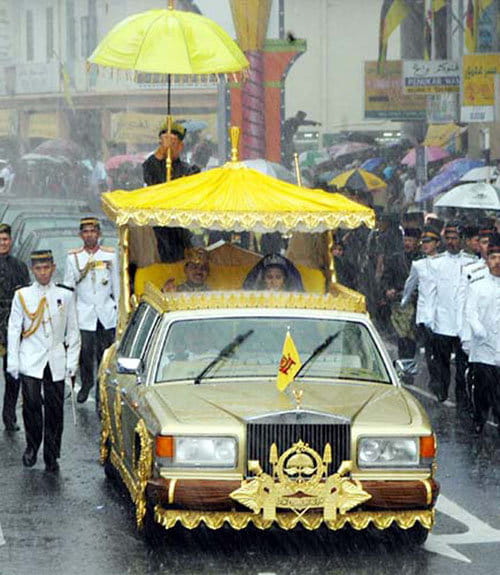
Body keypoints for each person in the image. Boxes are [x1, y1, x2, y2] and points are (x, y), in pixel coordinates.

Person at [7, 250, 80, 472]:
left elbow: (73, 331)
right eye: (38, 269)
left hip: (56, 358)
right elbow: (13, 329)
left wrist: (72, 362)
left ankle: (51, 453)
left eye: (46, 268)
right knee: (31, 406)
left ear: (53, 268)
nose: (43, 272)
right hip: (30, 358)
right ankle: (32, 446)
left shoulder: (65, 295)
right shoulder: (22, 296)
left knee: (55, 409)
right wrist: (13, 361)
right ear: (32, 270)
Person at [63, 217, 119, 405]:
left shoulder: (110, 255)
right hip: (84, 312)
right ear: (80, 235)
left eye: (93, 231)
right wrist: (68, 316)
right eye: (86, 232)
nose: (89, 235)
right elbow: (70, 288)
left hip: (105, 311)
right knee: (85, 352)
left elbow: (116, 286)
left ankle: (101, 386)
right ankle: (86, 383)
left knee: (105, 353)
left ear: (99, 233)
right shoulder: (74, 258)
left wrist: (119, 308)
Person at [427, 222, 476, 403]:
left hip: (463, 323)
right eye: (447, 238)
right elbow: (431, 292)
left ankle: (462, 396)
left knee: (463, 364)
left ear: (461, 240)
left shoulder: (472, 263)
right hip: (443, 321)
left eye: (454, 238)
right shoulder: (436, 263)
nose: (451, 242)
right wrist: (429, 318)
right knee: (442, 362)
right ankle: (442, 392)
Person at [142, 120, 200, 262]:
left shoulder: (188, 170)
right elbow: (150, 174)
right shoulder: (151, 165)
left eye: (172, 144)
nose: (168, 148)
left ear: (181, 146)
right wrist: (162, 150)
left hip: (181, 230)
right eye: (163, 144)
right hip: (157, 230)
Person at [464, 233, 500, 435]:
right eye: (493, 258)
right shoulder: (478, 285)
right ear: (487, 261)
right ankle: (479, 417)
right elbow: (470, 311)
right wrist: (477, 330)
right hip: (483, 348)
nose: (497, 262)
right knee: (483, 388)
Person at [401, 226, 441, 385]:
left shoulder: (445, 263)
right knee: (428, 347)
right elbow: (409, 286)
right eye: (423, 241)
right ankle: (433, 378)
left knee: (440, 348)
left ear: (437, 243)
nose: (425, 245)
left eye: (429, 241)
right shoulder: (418, 264)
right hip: (423, 312)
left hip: (443, 312)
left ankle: (439, 377)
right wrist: (404, 302)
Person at [0, 223, 30, 431]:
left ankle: (9, 415)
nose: (3, 243)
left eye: (5, 239)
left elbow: (27, 297)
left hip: (11, 323)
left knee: (12, 371)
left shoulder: (19, 266)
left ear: (11, 241)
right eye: (0, 240)